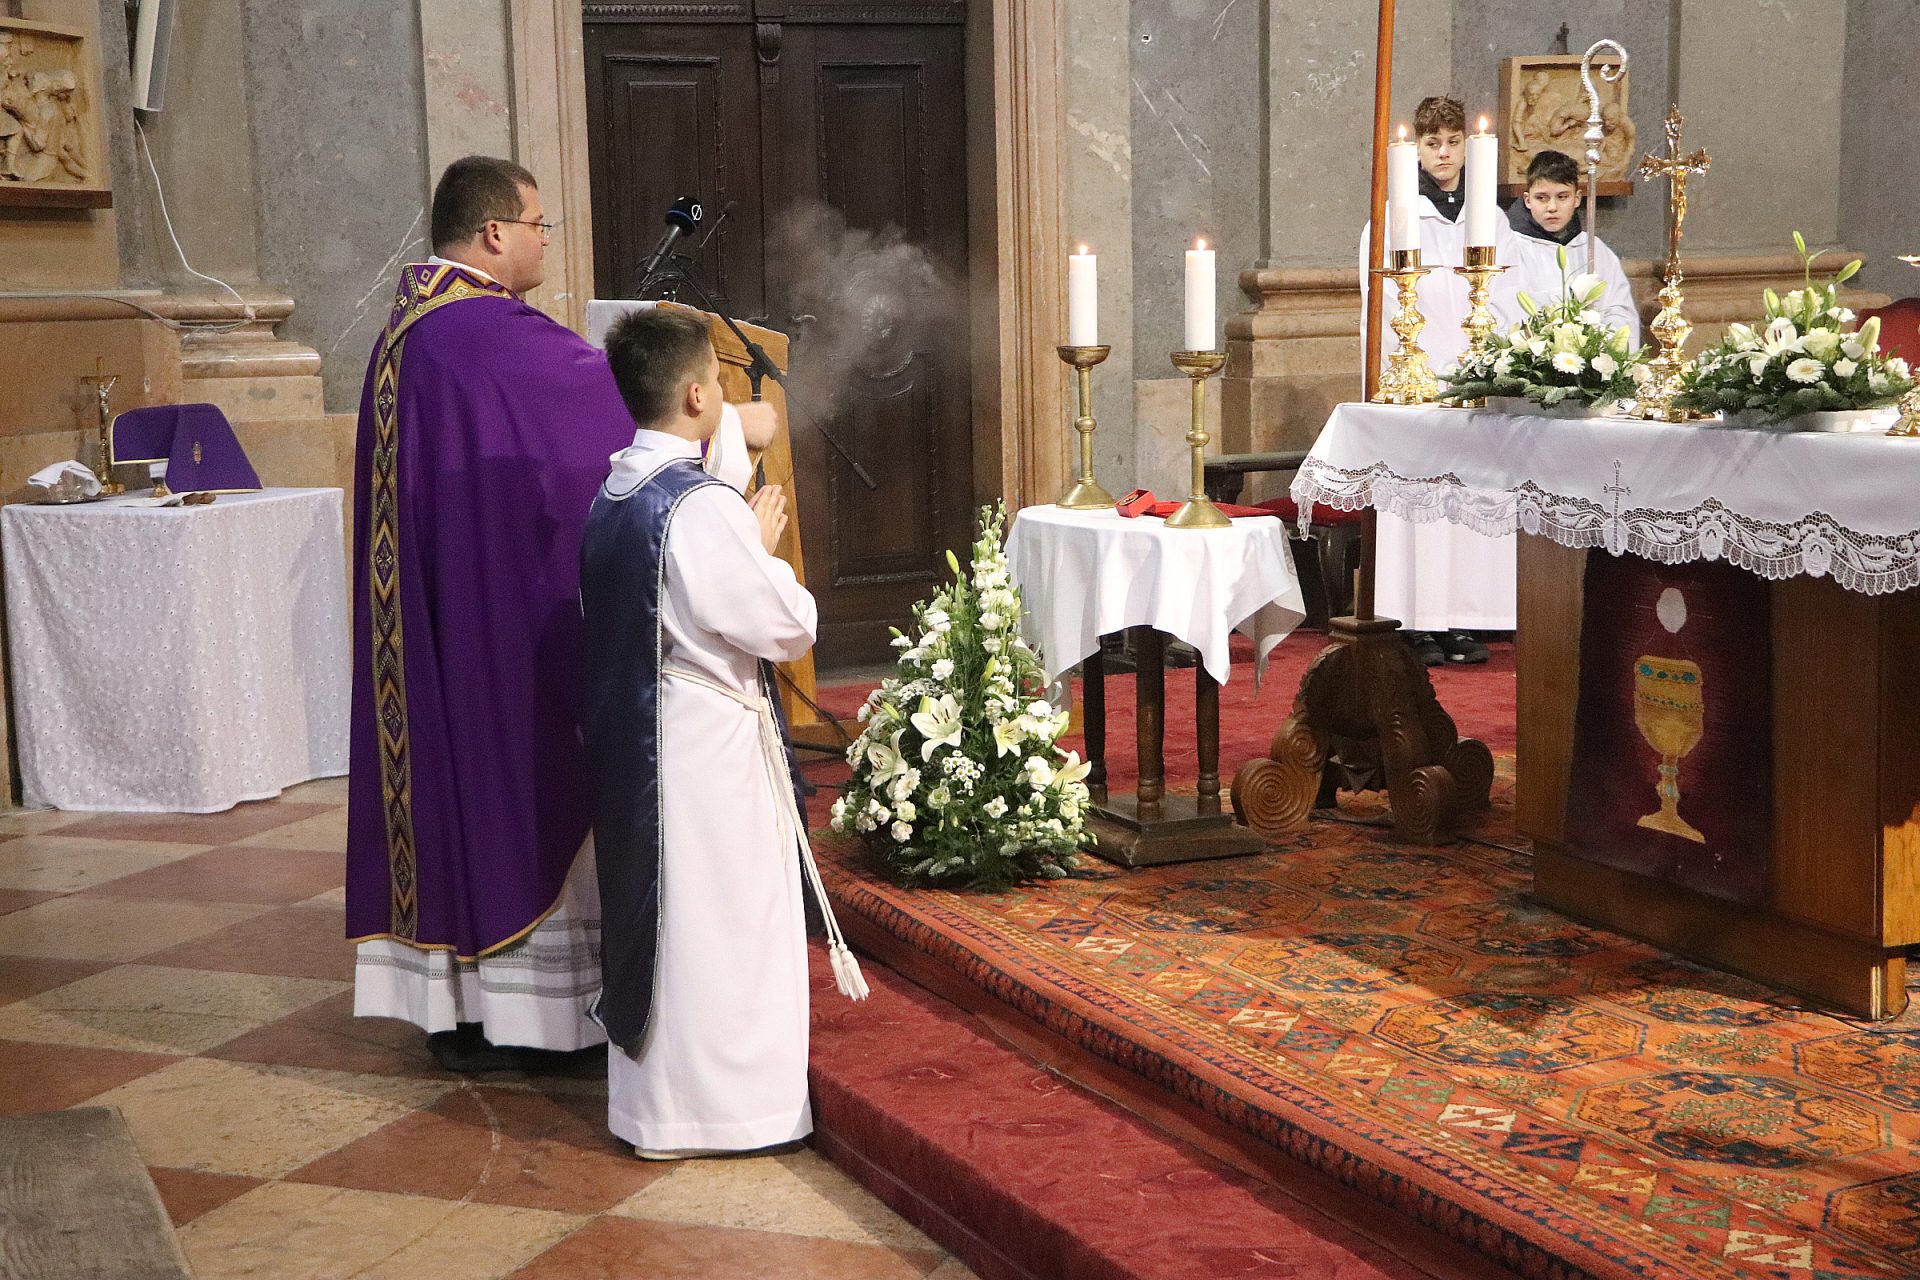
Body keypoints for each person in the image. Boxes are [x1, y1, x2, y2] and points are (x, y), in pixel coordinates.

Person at [345, 156, 637, 1071]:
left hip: (434, 618)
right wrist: (723, 425)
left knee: (448, 786)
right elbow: (612, 418)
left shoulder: (407, 333)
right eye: (540, 225)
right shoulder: (490, 333)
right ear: (494, 232)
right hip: (493, 627)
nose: (546, 242)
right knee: (520, 775)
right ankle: (535, 1020)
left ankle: (460, 1009)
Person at [578, 308, 865, 1159]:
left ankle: (658, 1110)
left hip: (644, 739)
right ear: (699, 395)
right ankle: (731, 1112)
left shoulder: (615, 490)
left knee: (668, 919)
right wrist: (763, 548)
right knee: (725, 925)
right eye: (718, 377)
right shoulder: (699, 510)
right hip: (706, 748)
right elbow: (785, 626)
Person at [1360, 95, 1519, 666]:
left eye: (1454, 143)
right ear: (1418, 151)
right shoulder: (1392, 219)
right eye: (1433, 144)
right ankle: (1414, 619)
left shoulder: (1491, 219)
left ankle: (1461, 615)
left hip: (1472, 377)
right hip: (1417, 377)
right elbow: (1379, 304)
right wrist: (1401, 369)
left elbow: (1508, 296)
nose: (1445, 154)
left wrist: (1494, 363)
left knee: (1467, 498)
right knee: (1419, 500)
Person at [1506, 149, 1640, 347]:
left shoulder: (1594, 249)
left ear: (1577, 198)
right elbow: (1508, 313)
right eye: (1542, 198)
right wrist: (1570, 298)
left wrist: (1598, 345)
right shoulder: (1511, 249)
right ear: (1527, 200)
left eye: (1562, 197)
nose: (1552, 207)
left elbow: (1621, 312)